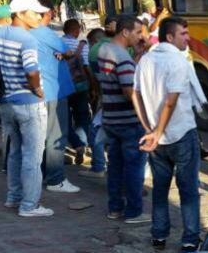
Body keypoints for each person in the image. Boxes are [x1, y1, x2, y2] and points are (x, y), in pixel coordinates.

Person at [132, 17, 202, 252]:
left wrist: (148, 128)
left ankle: (159, 235)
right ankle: (190, 239)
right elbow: (171, 101)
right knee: (188, 190)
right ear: (170, 37)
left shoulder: (145, 60)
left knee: (160, 189)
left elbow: (135, 94)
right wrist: (157, 131)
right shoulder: (178, 61)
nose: (188, 38)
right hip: (181, 134)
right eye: (183, 33)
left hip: (156, 140)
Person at [0, 0, 51, 217]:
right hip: (28, 102)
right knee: (32, 157)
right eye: (34, 13)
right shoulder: (27, 40)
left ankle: (13, 196)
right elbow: (31, 70)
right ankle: (29, 205)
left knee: (15, 152)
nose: (39, 17)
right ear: (20, 14)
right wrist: (37, 89)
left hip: (7, 100)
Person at [97, 15, 150, 224]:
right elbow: (129, 92)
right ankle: (134, 212)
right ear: (125, 32)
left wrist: (137, 55)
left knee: (115, 166)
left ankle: (115, 208)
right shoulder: (122, 57)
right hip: (128, 121)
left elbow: (122, 75)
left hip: (111, 118)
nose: (141, 37)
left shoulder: (105, 50)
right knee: (134, 168)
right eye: (138, 32)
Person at [30, 2, 80, 194]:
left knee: (44, 135)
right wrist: (62, 53)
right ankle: (56, 179)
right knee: (56, 135)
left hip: (40, 90)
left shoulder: (26, 32)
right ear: (48, 13)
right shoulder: (44, 32)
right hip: (53, 89)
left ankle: (45, 173)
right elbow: (68, 52)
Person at [62, 19, 93, 166]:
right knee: (82, 116)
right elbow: (86, 67)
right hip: (80, 86)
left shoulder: (58, 43)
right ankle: (83, 145)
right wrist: (91, 85)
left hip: (63, 86)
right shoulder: (82, 45)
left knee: (65, 118)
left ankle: (75, 143)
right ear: (76, 30)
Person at [79, 27, 108, 177]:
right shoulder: (120, 49)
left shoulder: (96, 51)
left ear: (95, 40)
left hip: (107, 99)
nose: (90, 46)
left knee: (94, 131)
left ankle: (98, 167)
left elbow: (94, 76)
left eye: (90, 43)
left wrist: (96, 94)